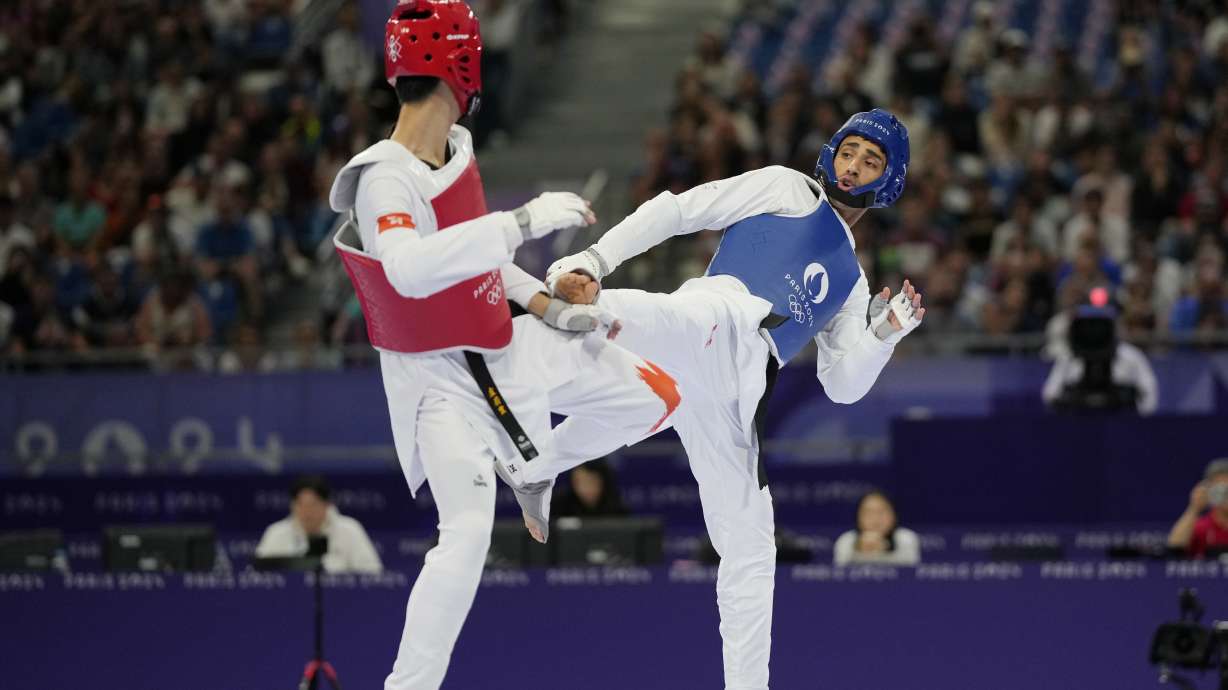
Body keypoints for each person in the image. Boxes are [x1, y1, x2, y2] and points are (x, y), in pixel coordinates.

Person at [325, 3, 679, 688]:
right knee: (466, 534)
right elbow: (408, 269)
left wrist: (549, 308)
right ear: (462, 65)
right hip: (440, 384)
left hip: (501, 343)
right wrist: (520, 221)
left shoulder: (456, 150)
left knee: (655, 399)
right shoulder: (384, 179)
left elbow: (478, 265)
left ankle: (533, 465)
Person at [540, 109, 924, 690]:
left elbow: (842, 387)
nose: (852, 167)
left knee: (750, 549)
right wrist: (595, 258)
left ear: (887, 182)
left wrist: (883, 335)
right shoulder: (786, 186)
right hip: (721, 316)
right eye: (850, 151)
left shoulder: (853, 284)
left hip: (740, 389)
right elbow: (679, 210)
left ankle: (533, 466)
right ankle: (564, 296)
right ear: (832, 151)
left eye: (870, 162)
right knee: (646, 323)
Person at [255, 475, 383, 574]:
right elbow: (257, 576)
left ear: (327, 504)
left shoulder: (350, 530)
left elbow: (373, 573)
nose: (306, 511)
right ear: (292, 505)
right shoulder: (276, 533)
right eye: (300, 505)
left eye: (312, 505)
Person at [832, 490, 920, 566]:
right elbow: (840, 573)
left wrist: (881, 550)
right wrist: (861, 550)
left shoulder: (906, 538)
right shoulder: (846, 540)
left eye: (881, 512)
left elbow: (910, 571)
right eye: (869, 512)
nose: (876, 518)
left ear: (894, 515)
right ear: (858, 517)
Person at [1168, 459, 1228, 558]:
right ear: (1209, 491)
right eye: (1221, 491)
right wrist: (1194, 508)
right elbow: (1174, 549)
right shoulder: (1201, 527)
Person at [552, 458, 629, 519]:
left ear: (603, 481)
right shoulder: (557, 507)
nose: (586, 488)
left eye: (592, 481)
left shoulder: (617, 509)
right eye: (581, 482)